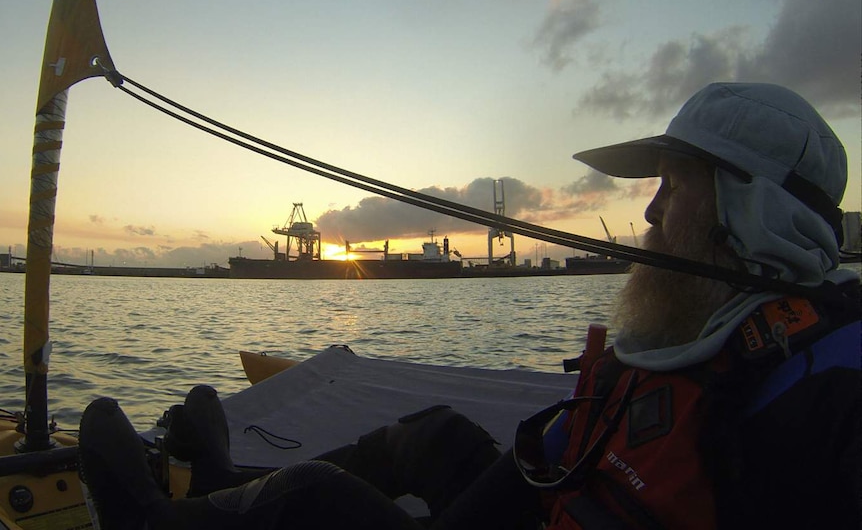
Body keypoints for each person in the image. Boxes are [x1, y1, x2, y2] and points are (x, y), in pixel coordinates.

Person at [77, 82, 861, 529]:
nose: (651, 214)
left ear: (754, 213)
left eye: (674, 185)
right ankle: (220, 483)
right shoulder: (695, 332)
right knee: (432, 435)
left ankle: (149, 524)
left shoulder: (830, 400)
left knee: (311, 500)